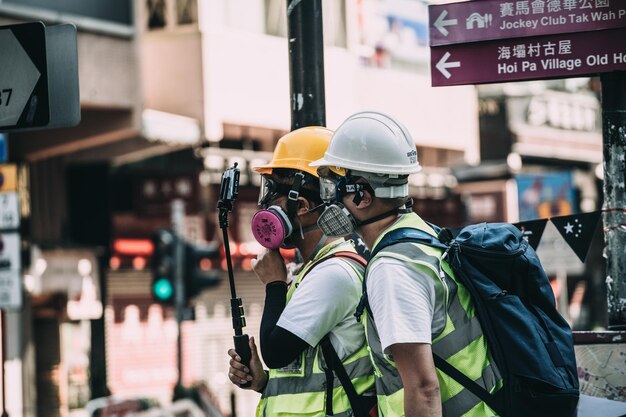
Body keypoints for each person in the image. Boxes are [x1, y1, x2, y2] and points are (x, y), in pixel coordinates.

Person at [310, 112, 503, 417]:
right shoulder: (424, 235)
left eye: (334, 185)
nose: (328, 199)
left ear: (360, 194)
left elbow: (423, 389)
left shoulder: (392, 268)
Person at [227, 126, 375, 417]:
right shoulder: (312, 269)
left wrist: (274, 284)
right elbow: (309, 373)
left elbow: (275, 351)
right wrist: (263, 382)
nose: (265, 204)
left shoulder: (334, 274)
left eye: (272, 192)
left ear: (303, 205)